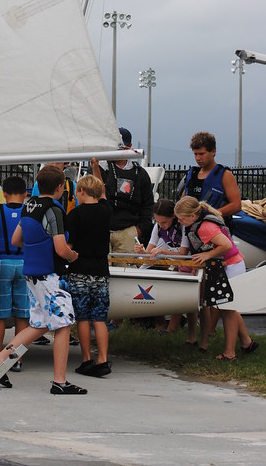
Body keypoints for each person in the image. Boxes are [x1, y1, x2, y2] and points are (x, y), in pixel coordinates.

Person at [0, 164, 87, 396]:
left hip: (32, 274)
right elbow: (60, 248)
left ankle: (1, 357)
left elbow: (16, 240)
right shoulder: (54, 210)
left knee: (40, 324)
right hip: (51, 274)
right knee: (63, 324)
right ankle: (60, 381)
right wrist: (73, 256)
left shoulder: (29, 206)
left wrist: (35, 247)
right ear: (60, 187)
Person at [174, 196, 257, 360]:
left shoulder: (205, 227)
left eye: (181, 218)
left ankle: (229, 353)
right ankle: (247, 343)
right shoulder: (197, 223)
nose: (179, 221)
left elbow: (226, 245)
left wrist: (208, 255)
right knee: (228, 308)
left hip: (231, 265)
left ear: (192, 216)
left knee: (228, 309)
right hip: (226, 265)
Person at [0, 175, 30, 382]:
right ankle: (16, 359)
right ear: (25, 194)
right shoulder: (29, 211)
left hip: (2, 263)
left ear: (5, 193)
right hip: (26, 264)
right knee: (22, 315)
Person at [66, 174, 112, 377]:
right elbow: (103, 195)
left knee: (83, 318)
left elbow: (69, 245)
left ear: (82, 191)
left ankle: (86, 359)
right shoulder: (106, 211)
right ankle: (103, 359)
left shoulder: (74, 215)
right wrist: (95, 170)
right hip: (101, 270)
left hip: (79, 269)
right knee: (99, 318)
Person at [91, 127, 154, 251]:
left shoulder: (140, 173)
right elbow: (92, 195)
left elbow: (148, 204)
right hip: (102, 230)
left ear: (129, 146)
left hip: (128, 232)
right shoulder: (99, 168)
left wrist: (139, 230)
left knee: (126, 264)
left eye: (121, 148)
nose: (116, 152)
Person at [135, 197, 191, 336]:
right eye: (158, 222)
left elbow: (183, 253)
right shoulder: (158, 226)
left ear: (174, 217)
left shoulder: (183, 226)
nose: (161, 225)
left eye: (164, 222)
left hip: (185, 263)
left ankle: (172, 329)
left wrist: (163, 251)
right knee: (153, 287)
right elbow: (149, 252)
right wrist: (141, 251)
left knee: (179, 293)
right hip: (170, 262)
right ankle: (160, 324)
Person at [178, 132, 242, 228]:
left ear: (213, 151)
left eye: (202, 154)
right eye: (195, 154)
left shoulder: (225, 175)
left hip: (215, 228)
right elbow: (183, 201)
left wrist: (210, 215)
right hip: (190, 229)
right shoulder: (191, 175)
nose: (198, 158)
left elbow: (236, 205)